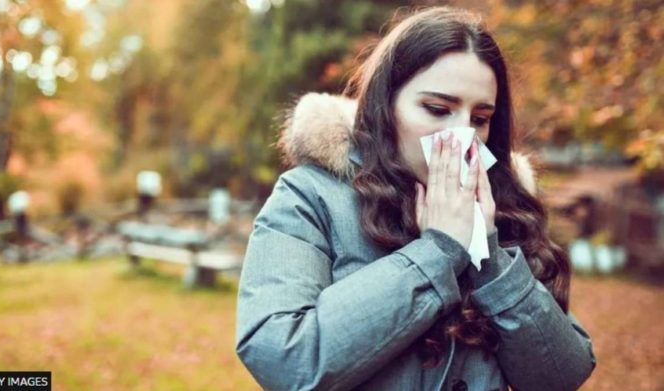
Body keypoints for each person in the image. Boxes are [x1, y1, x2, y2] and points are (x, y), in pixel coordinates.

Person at [235, 6, 596, 391]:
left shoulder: (505, 209)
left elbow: (562, 376)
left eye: (480, 119)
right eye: (438, 109)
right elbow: (283, 359)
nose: (463, 136)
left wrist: (487, 254)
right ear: (385, 106)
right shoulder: (310, 197)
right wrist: (439, 252)